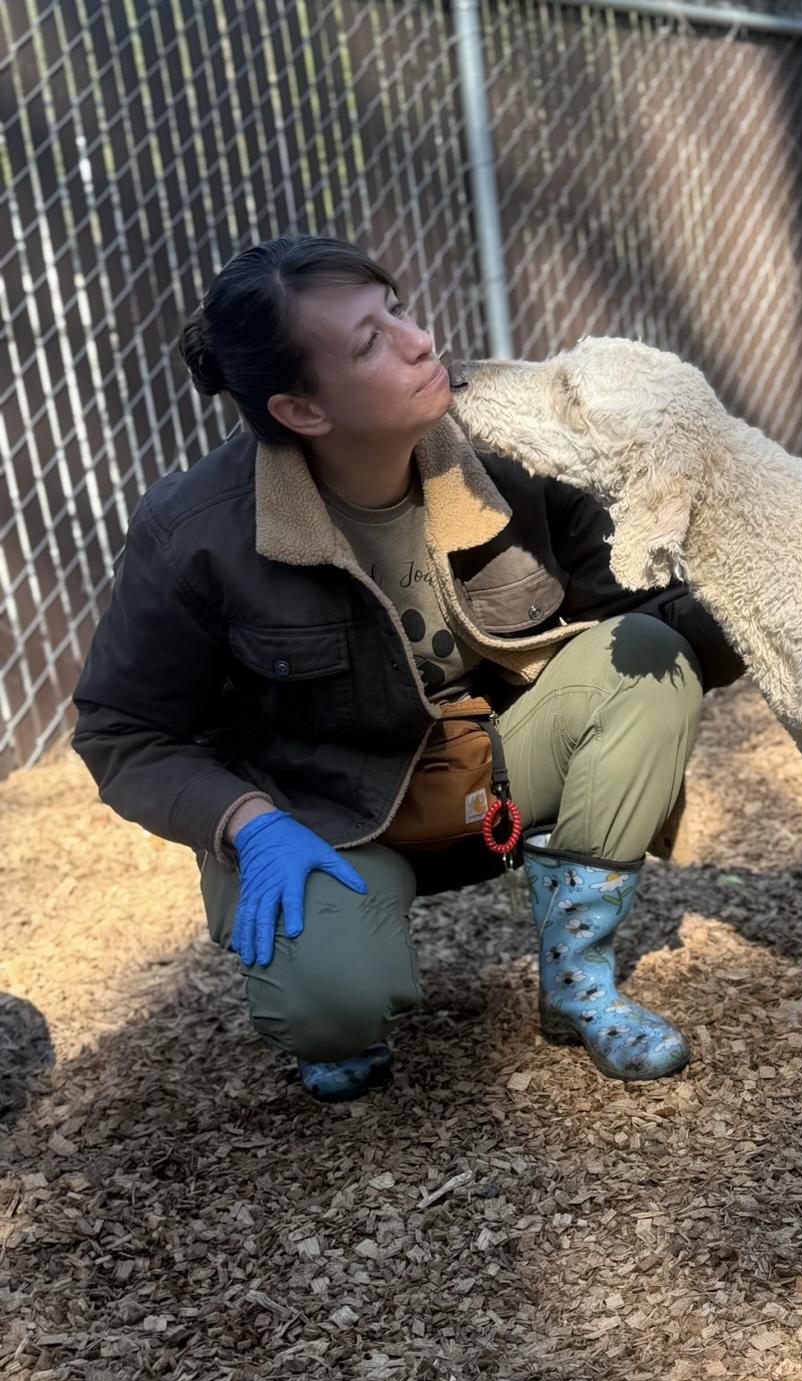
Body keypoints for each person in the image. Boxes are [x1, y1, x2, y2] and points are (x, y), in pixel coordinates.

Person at [70, 235, 744, 1102]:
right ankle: (337, 977)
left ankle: (579, 983)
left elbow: (635, 604)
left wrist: (763, 600)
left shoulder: (502, 457)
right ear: (303, 411)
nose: (418, 338)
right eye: (368, 343)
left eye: (395, 307)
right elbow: (124, 729)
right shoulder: (196, 530)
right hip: (330, 820)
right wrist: (246, 822)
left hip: (492, 779)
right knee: (331, 1014)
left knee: (650, 656)